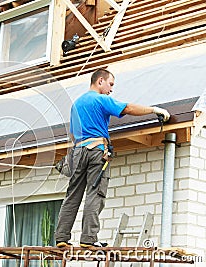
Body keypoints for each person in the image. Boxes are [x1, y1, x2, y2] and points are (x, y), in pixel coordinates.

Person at [55, 68, 170, 248]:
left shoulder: (76, 104)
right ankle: (88, 240)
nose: (111, 89)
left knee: (72, 195)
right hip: (96, 151)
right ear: (100, 81)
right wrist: (154, 110)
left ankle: (61, 238)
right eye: (110, 84)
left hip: (77, 151)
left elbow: (72, 133)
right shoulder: (101, 99)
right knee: (95, 193)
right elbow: (128, 108)